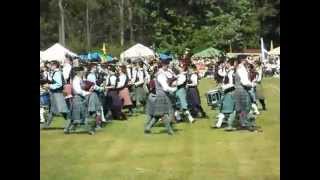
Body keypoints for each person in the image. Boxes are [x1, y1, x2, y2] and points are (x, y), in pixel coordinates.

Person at [145, 59, 177, 135]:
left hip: (161, 94)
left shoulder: (161, 73)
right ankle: (169, 130)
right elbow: (165, 87)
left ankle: (148, 127)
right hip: (162, 95)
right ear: (163, 65)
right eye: (167, 65)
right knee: (164, 113)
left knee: (158, 114)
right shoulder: (161, 75)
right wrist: (174, 89)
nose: (168, 66)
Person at [233, 56, 261, 132]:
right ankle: (244, 123)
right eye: (247, 58)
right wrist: (252, 84)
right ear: (243, 60)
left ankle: (242, 123)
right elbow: (244, 82)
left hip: (239, 89)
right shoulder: (241, 68)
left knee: (242, 108)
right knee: (246, 107)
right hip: (242, 89)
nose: (248, 60)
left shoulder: (239, 67)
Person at [42, 61, 71, 133]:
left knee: (63, 111)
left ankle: (70, 125)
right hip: (55, 93)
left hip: (58, 94)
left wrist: (49, 86)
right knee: (52, 111)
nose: (50, 66)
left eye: (51, 65)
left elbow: (59, 84)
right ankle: (46, 125)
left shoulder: (57, 73)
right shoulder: (56, 73)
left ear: (55, 66)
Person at [66, 67, 95, 135]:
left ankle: (67, 129)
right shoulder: (76, 80)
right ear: (78, 72)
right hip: (77, 99)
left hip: (80, 98)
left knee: (76, 116)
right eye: (82, 71)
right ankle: (90, 130)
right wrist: (87, 93)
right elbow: (78, 91)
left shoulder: (79, 79)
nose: (83, 72)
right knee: (83, 116)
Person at [211, 58, 236, 131]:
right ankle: (218, 125)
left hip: (230, 92)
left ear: (229, 64)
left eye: (226, 63)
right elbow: (220, 73)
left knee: (231, 110)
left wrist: (223, 87)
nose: (225, 64)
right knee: (223, 109)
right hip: (226, 92)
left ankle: (230, 125)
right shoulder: (228, 71)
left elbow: (232, 84)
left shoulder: (231, 72)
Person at [86, 63, 104, 129]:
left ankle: (97, 124)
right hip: (93, 93)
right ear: (92, 68)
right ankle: (96, 125)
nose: (96, 68)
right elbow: (93, 86)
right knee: (96, 109)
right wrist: (101, 88)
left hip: (94, 93)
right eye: (95, 67)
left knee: (96, 110)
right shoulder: (91, 75)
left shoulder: (92, 75)